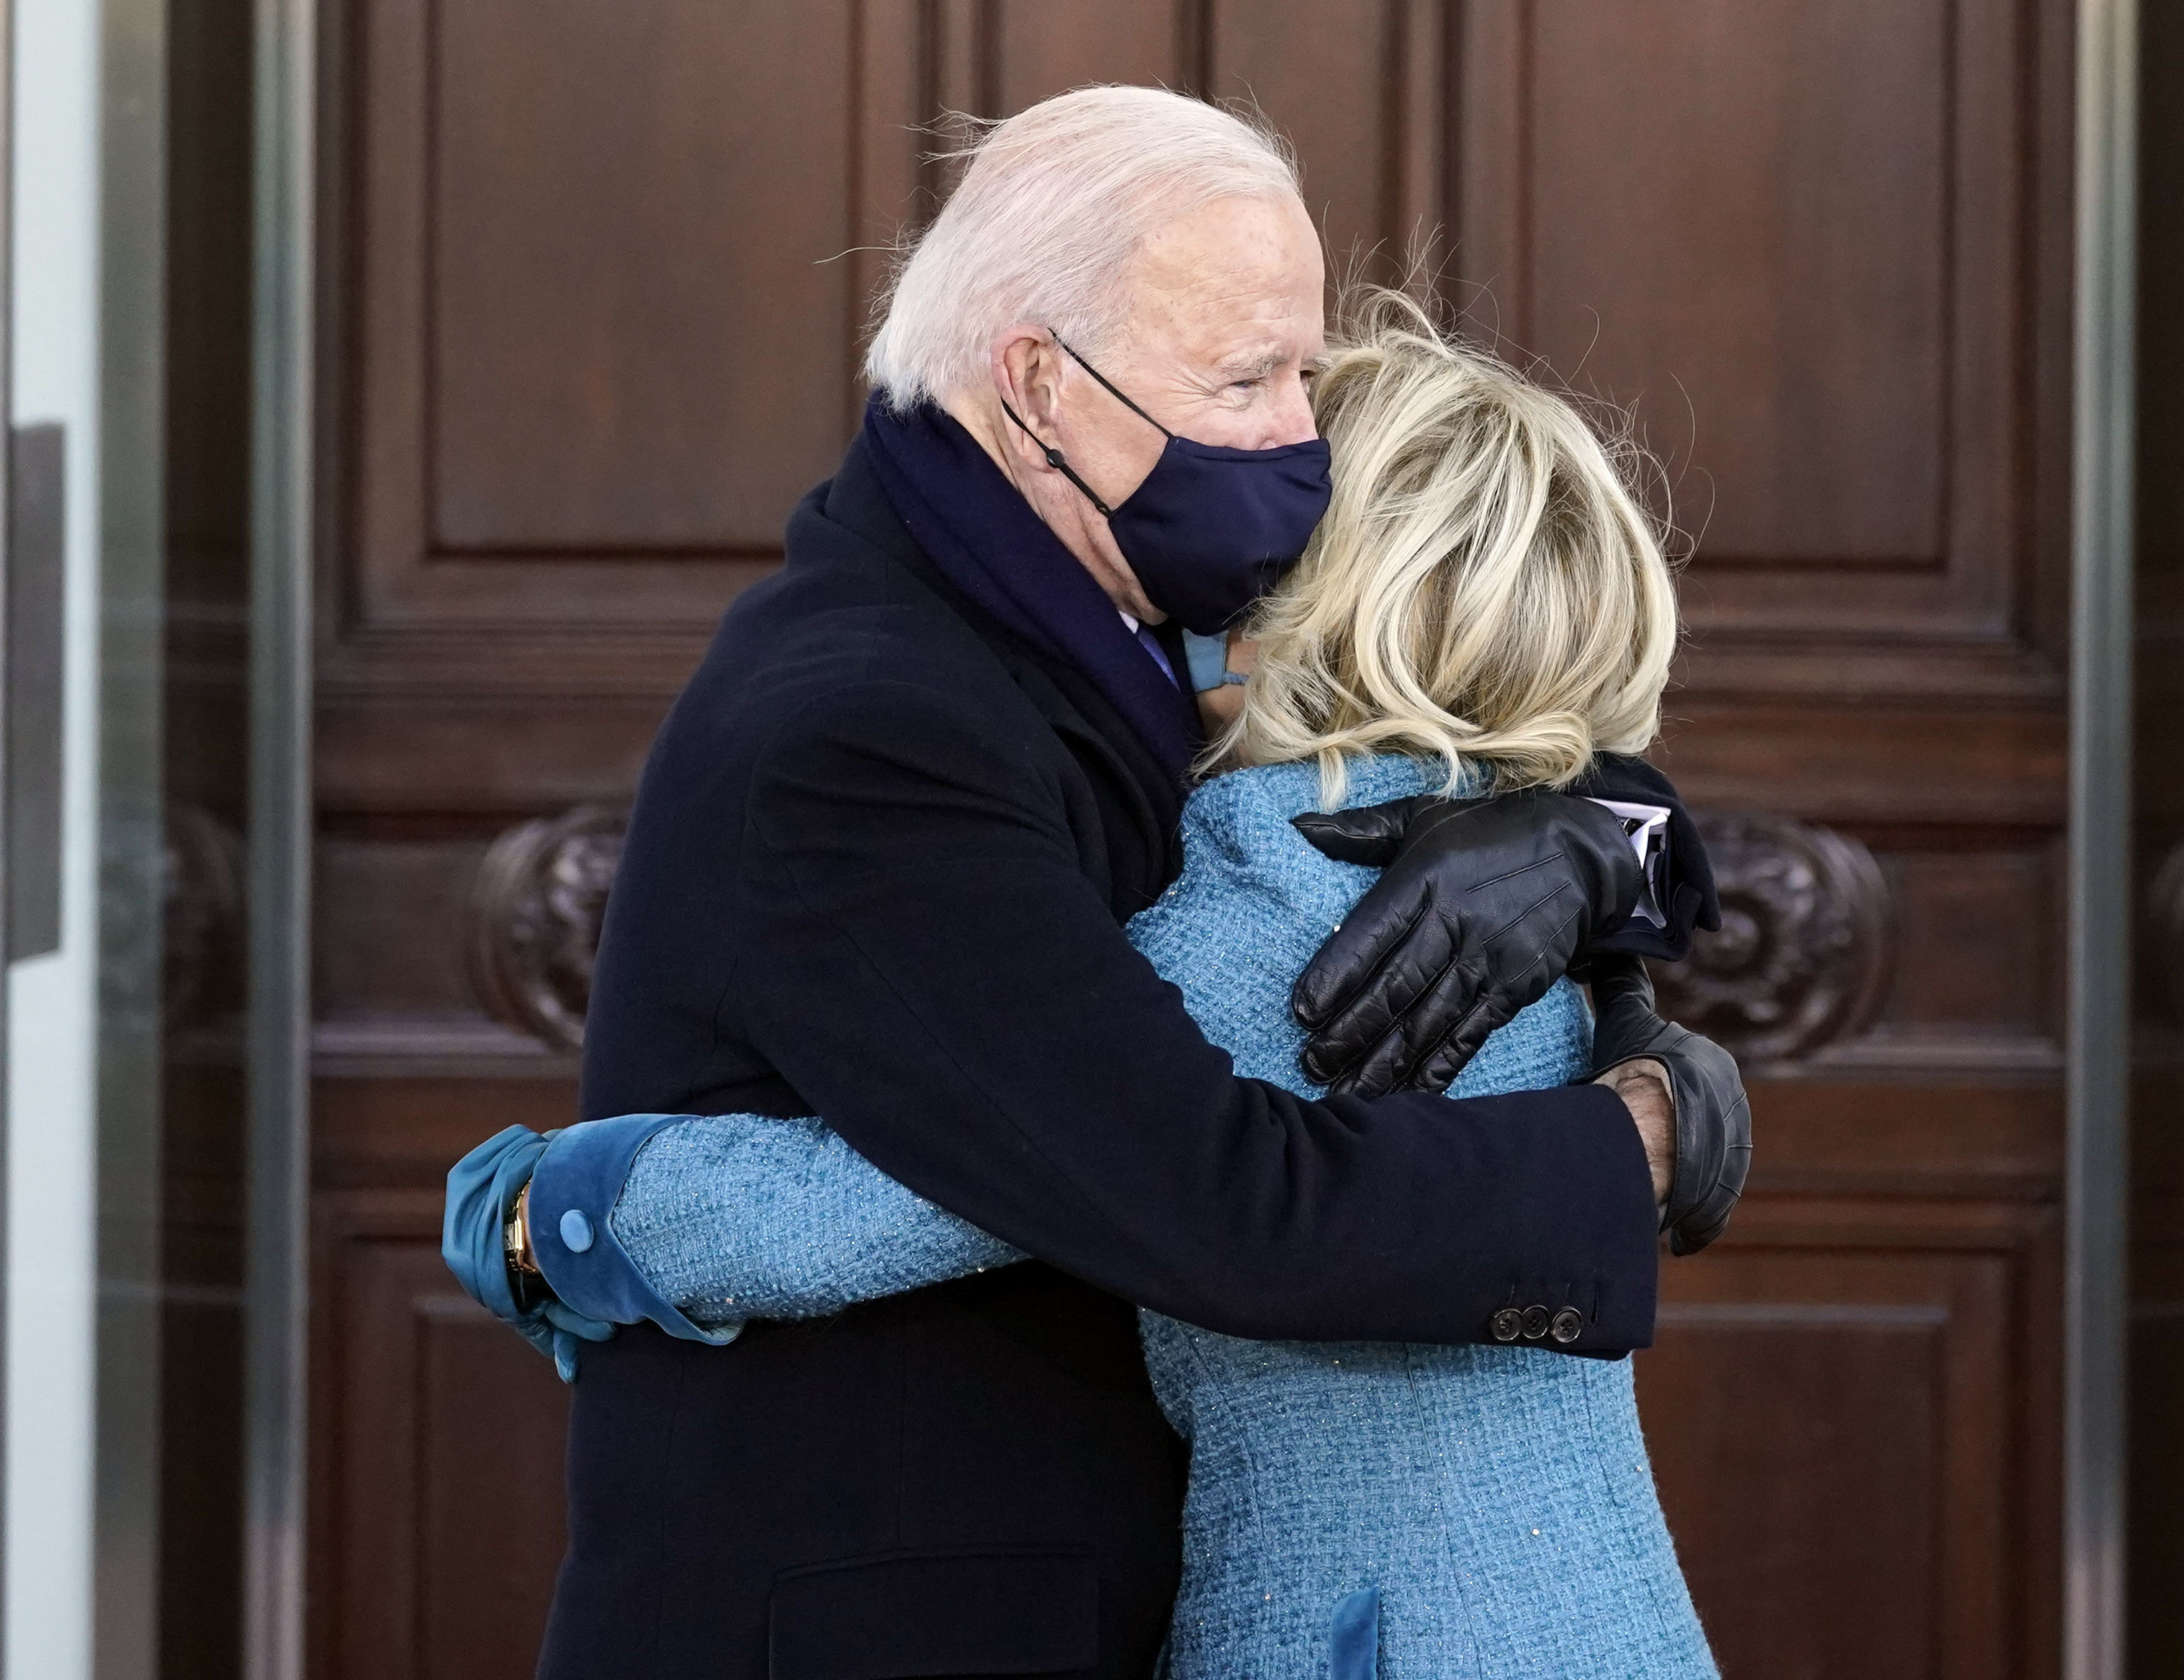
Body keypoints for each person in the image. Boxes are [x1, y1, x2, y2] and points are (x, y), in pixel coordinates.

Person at [442, 88, 1740, 1680]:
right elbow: (1181, 1188)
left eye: (1308, 380)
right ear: (1042, 385)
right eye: (1246, 380)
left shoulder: (1130, 627)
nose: (1293, 439)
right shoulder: (872, 719)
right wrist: (1633, 1143)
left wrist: (1607, 840)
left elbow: (1492, 710)